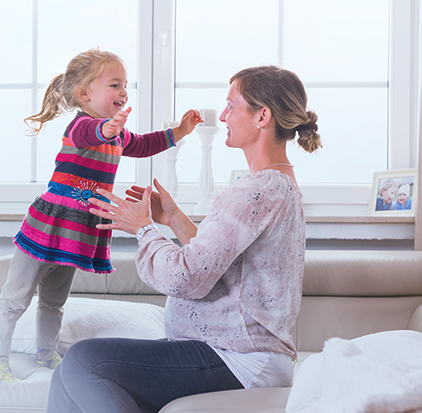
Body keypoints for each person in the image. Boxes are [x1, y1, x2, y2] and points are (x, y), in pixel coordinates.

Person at [46, 65, 322, 412]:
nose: (224, 116)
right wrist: (173, 219)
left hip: (238, 357)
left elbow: (185, 276)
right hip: (234, 352)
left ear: (262, 116)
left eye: (231, 105)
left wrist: (144, 229)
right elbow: (221, 263)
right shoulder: (274, 185)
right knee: (65, 375)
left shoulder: (257, 189)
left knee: (84, 359)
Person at [0, 48, 203, 382]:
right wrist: (108, 129)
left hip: (78, 230)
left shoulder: (118, 135)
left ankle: (46, 351)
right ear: (84, 93)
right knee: (15, 298)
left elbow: (144, 145)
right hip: (48, 225)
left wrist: (180, 132)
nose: (123, 91)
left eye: (125, 85)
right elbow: (91, 133)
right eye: (115, 85)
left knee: (54, 301)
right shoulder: (82, 126)